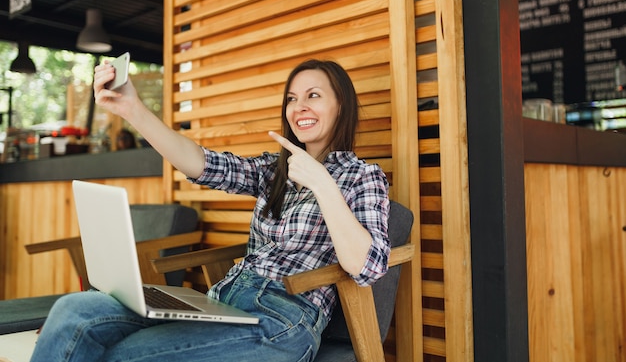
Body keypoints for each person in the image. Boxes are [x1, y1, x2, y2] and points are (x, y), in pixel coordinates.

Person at [30, 59, 391, 362]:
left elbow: (367, 266)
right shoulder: (274, 170)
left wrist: (323, 184)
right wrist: (132, 110)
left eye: (314, 95)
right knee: (74, 312)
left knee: (123, 355)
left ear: (341, 104)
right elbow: (201, 164)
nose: (299, 107)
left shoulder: (362, 176)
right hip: (222, 303)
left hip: (282, 322)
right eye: (292, 98)